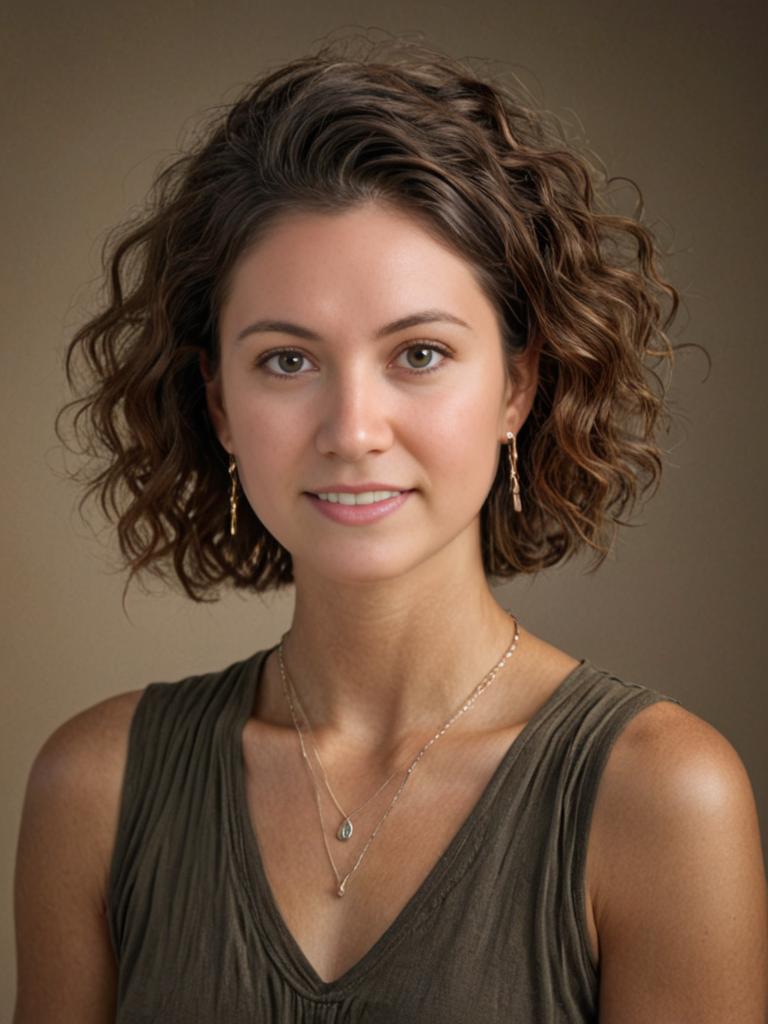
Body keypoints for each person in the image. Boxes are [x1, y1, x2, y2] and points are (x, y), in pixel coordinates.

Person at [13, 37, 767, 1024]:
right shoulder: (96, 789)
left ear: (519, 384)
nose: (353, 430)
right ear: (220, 401)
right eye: (287, 361)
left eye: (418, 352)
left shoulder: (664, 797)